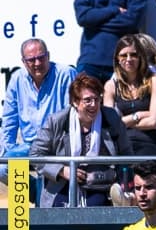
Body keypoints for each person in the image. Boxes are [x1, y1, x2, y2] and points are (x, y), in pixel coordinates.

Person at [30, 73, 133, 208]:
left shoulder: (111, 118)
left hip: (101, 186)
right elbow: (35, 155)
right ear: (75, 102)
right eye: (88, 100)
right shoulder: (56, 121)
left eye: (97, 99)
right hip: (62, 185)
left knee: (96, 207)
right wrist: (62, 171)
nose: (94, 105)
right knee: (61, 210)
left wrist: (121, 185)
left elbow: (126, 155)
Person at [1, 38, 76, 185]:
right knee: (3, 168)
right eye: (31, 59)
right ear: (23, 61)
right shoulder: (16, 79)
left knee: (45, 178)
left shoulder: (66, 74)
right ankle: (30, 198)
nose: (37, 63)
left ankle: (40, 199)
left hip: (57, 146)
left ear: (48, 55)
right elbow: (9, 119)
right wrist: (8, 150)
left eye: (41, 58)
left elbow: (73, 114)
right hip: (29, 145)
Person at [103, 35, 156, 157]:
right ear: (117, 59)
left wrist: (123, 123)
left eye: (134, 55)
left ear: (140, 57)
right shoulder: (110, 86)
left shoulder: (154, 81)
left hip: (149, 144)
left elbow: (154, 122)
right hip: (122, 146)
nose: (129, 59)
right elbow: (111, 126)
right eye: (124, 55)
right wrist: (138, 115)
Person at [74, 0, 147, 82]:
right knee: (84, 95)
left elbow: (131, 22)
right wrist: (115, 10)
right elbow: (83, 17)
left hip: (123, 62)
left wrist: (95, 23)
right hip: (90, 62)